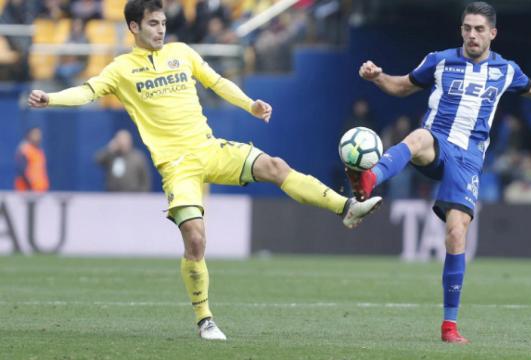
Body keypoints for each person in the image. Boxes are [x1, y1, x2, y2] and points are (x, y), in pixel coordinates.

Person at [27, 0, 381, 341]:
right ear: (134, 26)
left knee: (275, 166)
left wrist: (250, 104)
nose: (161, 29)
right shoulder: (121, 69)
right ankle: (205, 319)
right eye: (153, 23)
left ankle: (347, 208)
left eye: (163, 23)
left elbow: (215, 81)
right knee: (196, 241)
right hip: (177, 167)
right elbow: (87, 92)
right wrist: (52, 98)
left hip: (209, 149)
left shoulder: (182, 53)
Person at [347, 1, 531, 344]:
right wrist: (378, 78)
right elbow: (401, 86)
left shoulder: (506, 70)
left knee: (456, 233)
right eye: (467, 28)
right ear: (461, 30)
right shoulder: (439, 60)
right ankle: (368, 179)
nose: (472, 35)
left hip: (468, 160)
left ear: (492, 33)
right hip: (437, 142)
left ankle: (449, 327)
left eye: (479, 29)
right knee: (418, 137)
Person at [15, 127, 50, 192]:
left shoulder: (39, 151)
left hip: (39, 190)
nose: (38, 137)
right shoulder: (25, 150)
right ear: (28, 135)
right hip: (28, 191)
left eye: (39, 134)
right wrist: (30, 187)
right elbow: (21, 170)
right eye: (35, 134)